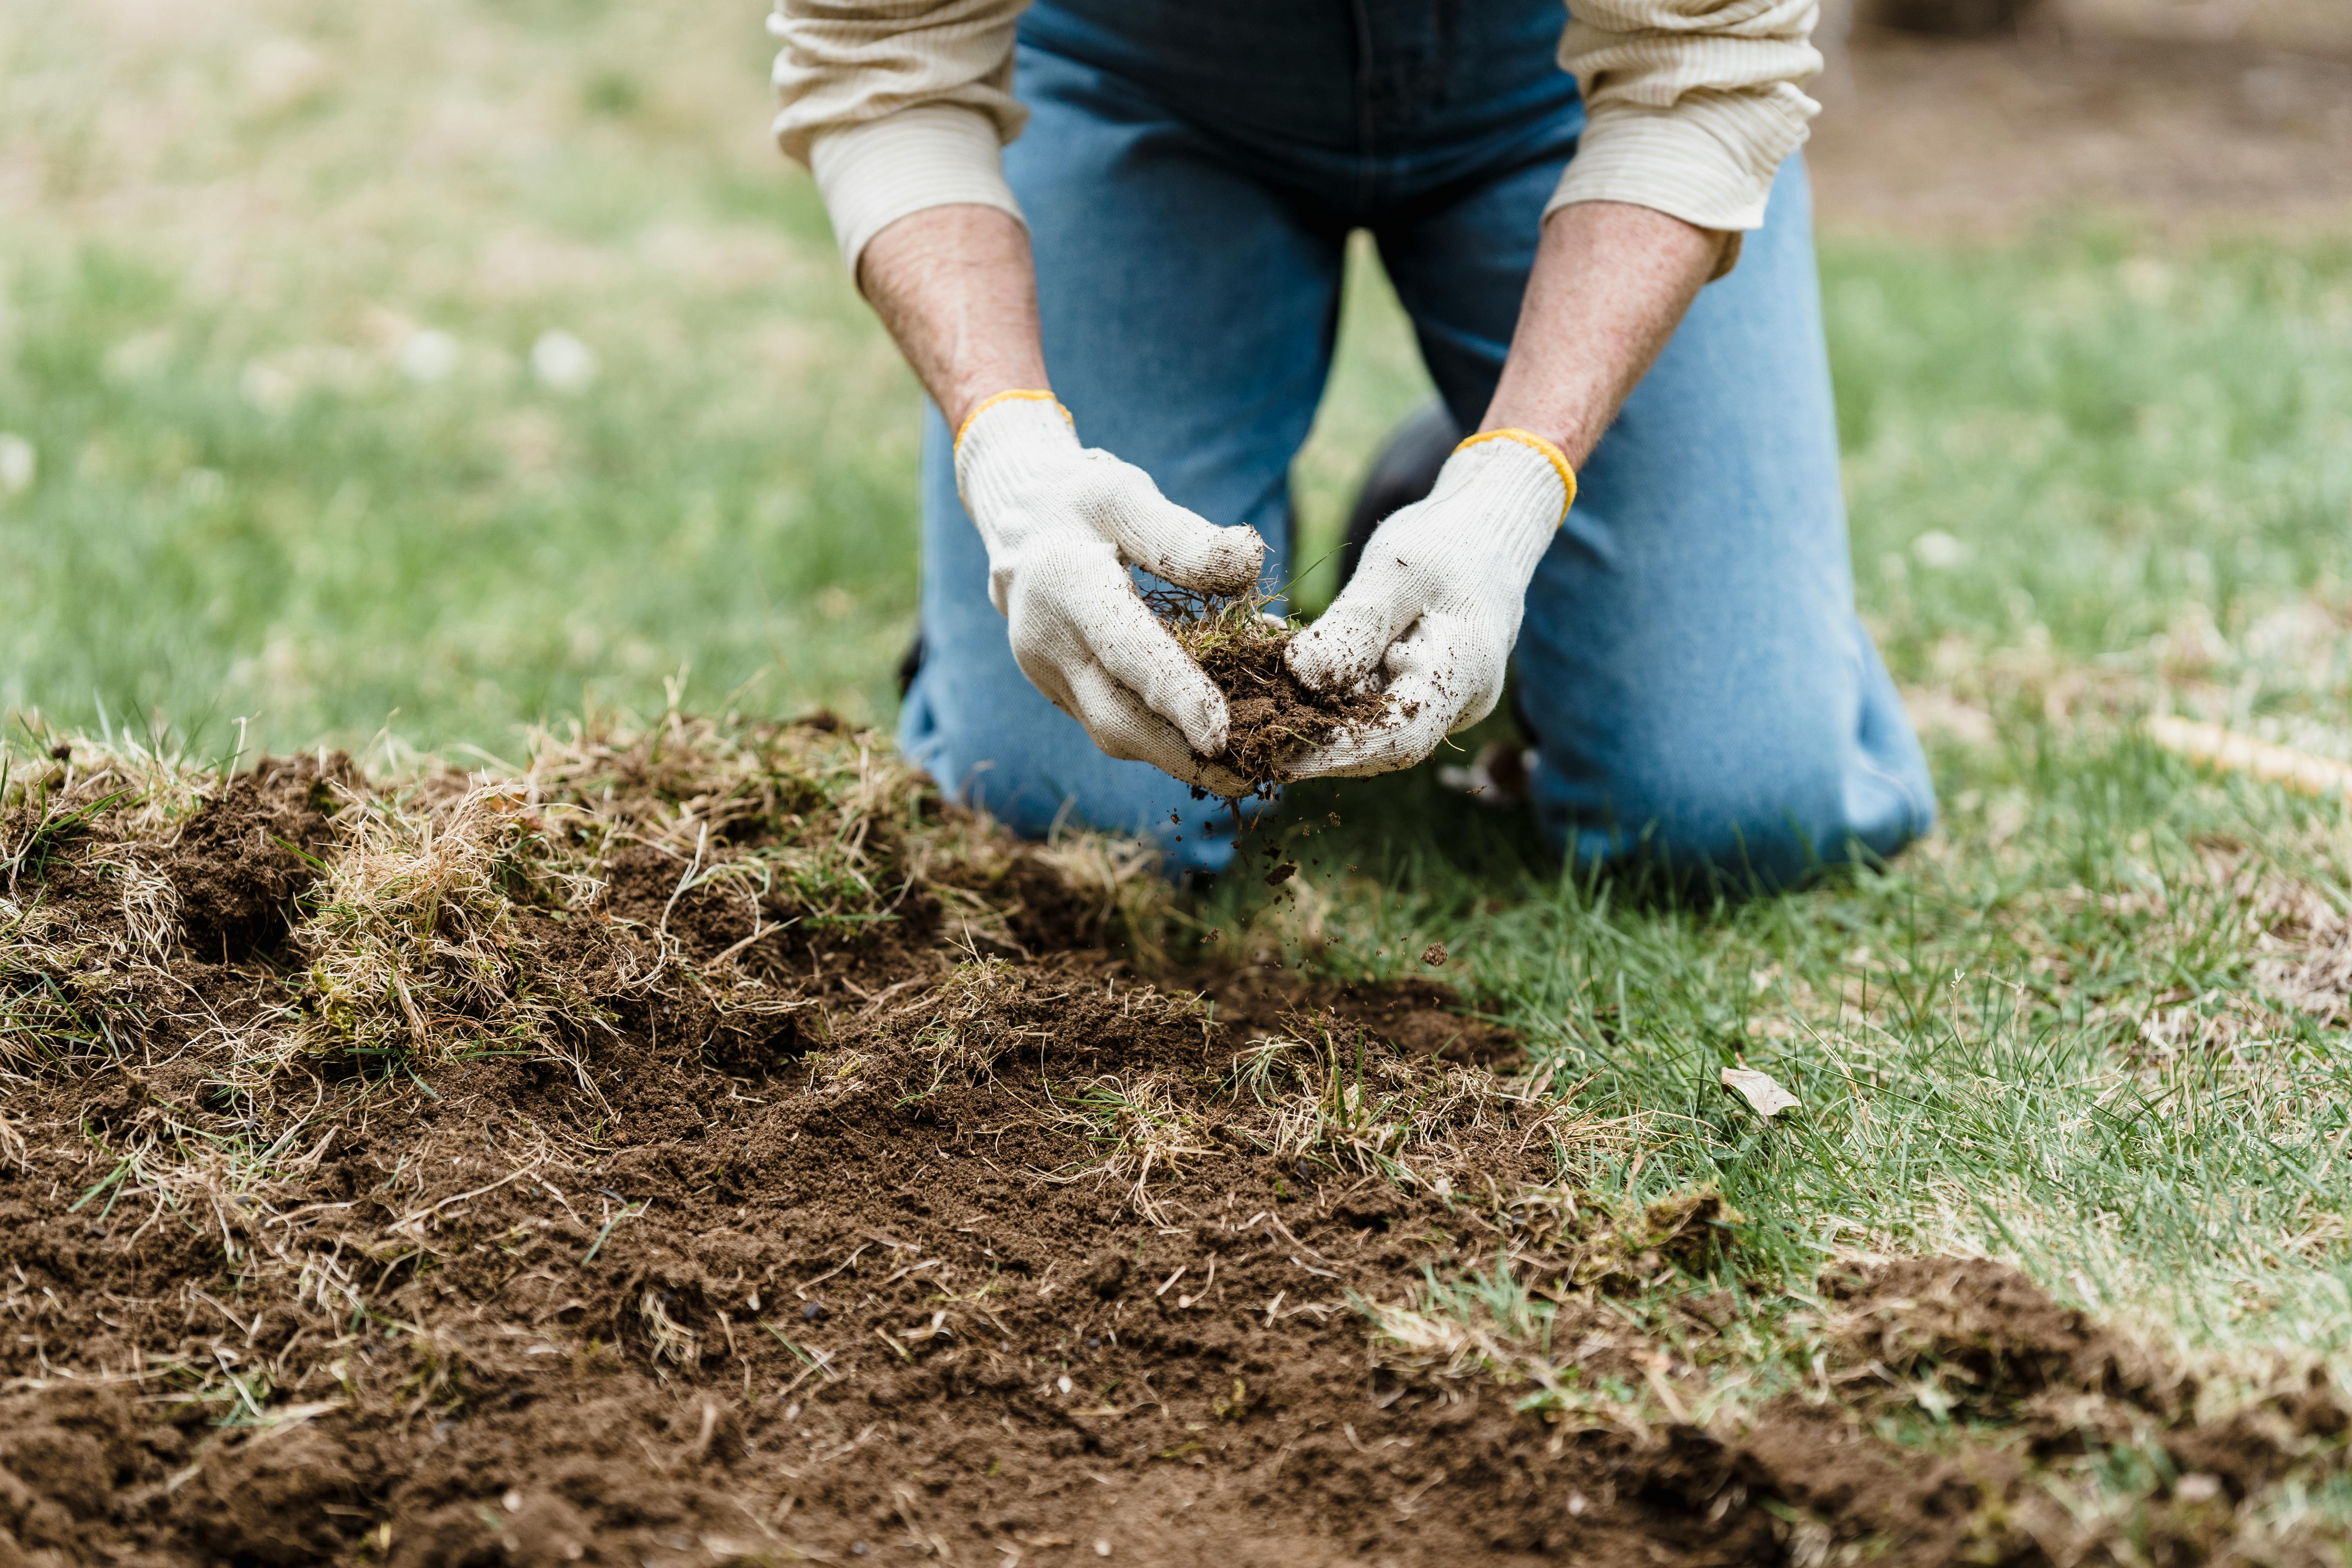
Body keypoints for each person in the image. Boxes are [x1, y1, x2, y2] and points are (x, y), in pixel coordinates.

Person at [769, 0, 1936, 886]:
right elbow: (883, 61)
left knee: (1727, 812)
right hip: (1145, 75)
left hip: (1566, 88)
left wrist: (1516, 487)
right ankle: (1019, 583)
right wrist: (1013, 457)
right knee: (1074, 819)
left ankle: (1461, 478)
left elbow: (1703, 71)